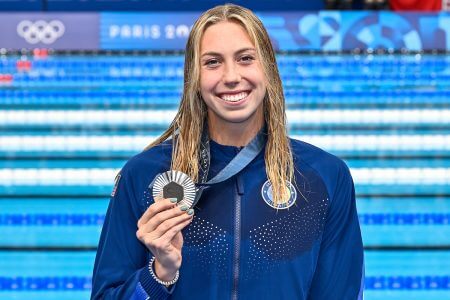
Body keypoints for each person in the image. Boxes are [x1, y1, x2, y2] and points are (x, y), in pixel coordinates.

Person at [91, 4, 364, 299]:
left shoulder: (324, 176)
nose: (231, 76)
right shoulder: (144, 175)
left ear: (268, 69)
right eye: (212, 62)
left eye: (246, 58)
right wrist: (160, 274)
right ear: (194, 77)